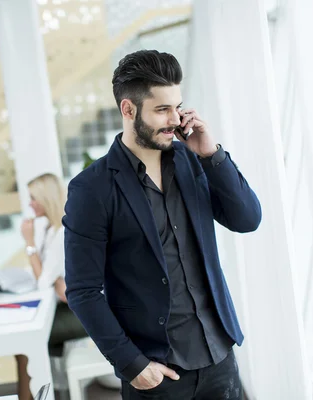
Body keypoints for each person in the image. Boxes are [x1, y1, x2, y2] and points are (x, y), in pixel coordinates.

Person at [63, 50, 262, 400]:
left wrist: (211, 153)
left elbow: (247, 218)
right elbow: (82, 290)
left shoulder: (192, 160)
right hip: (157, 375)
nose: (175, 119)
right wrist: (131, 365)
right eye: (162, 109)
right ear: (128, 109)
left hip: (219, 359)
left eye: (177, 105)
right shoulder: (91, 189)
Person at [15, 173, 87, 400]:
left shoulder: (62, 233)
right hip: (63, 306)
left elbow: (43, 282)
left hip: (79, 314)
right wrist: (53, 280)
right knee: (24, 343)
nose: (30, 204)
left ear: (47, 198)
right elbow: (49, 280)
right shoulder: (50, 229)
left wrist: (29, 244)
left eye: (34, 198)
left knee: (24, 343)